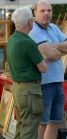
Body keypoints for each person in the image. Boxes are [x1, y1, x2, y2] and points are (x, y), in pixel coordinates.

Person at [29, 0, 67, 139]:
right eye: (42, 11)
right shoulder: (33, 31)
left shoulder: (54, 28)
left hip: (58, 82)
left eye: (49, 10)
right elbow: (51, 55)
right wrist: (60, 49)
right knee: (41, 125)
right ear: (35, 13)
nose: (46, 13)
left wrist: (54, 46)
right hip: (43, 84)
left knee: (55, 122)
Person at [6, 7, 47, 139]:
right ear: (30, 22)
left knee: (22, 127)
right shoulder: (28, 42)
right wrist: (42, 57)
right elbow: (43, 68)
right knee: (29, 130)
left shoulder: (12, 39)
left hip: (18, 88)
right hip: (30, 90)